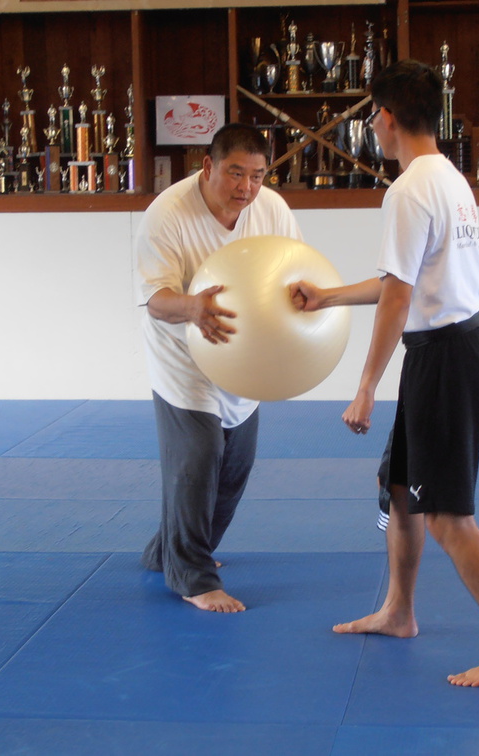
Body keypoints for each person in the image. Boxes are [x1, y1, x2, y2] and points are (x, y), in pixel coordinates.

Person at [289, 60, 479, 687]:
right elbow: (399, 281)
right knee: (402, 490)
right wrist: (326, 297)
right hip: (455, 350)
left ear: (388, 117)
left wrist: (366, 385)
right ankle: (399, 611)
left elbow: (401, 296)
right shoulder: (446, 177)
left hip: (448, 359)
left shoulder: (407, 190)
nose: (373, 124)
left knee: (449, 516)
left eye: (374, 114)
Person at [135, 123, 302, 613]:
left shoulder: (270, 209)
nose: (245, 188)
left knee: (235, 466)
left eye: (256, 175)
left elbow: (295, 269)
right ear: (207, 166)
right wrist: (194, 309)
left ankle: (168, 549)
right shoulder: (166, 215)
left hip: (241, 353)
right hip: (181, 352)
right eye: (234, 173)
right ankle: (192, 577)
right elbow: (155, 299)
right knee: (200, 454)